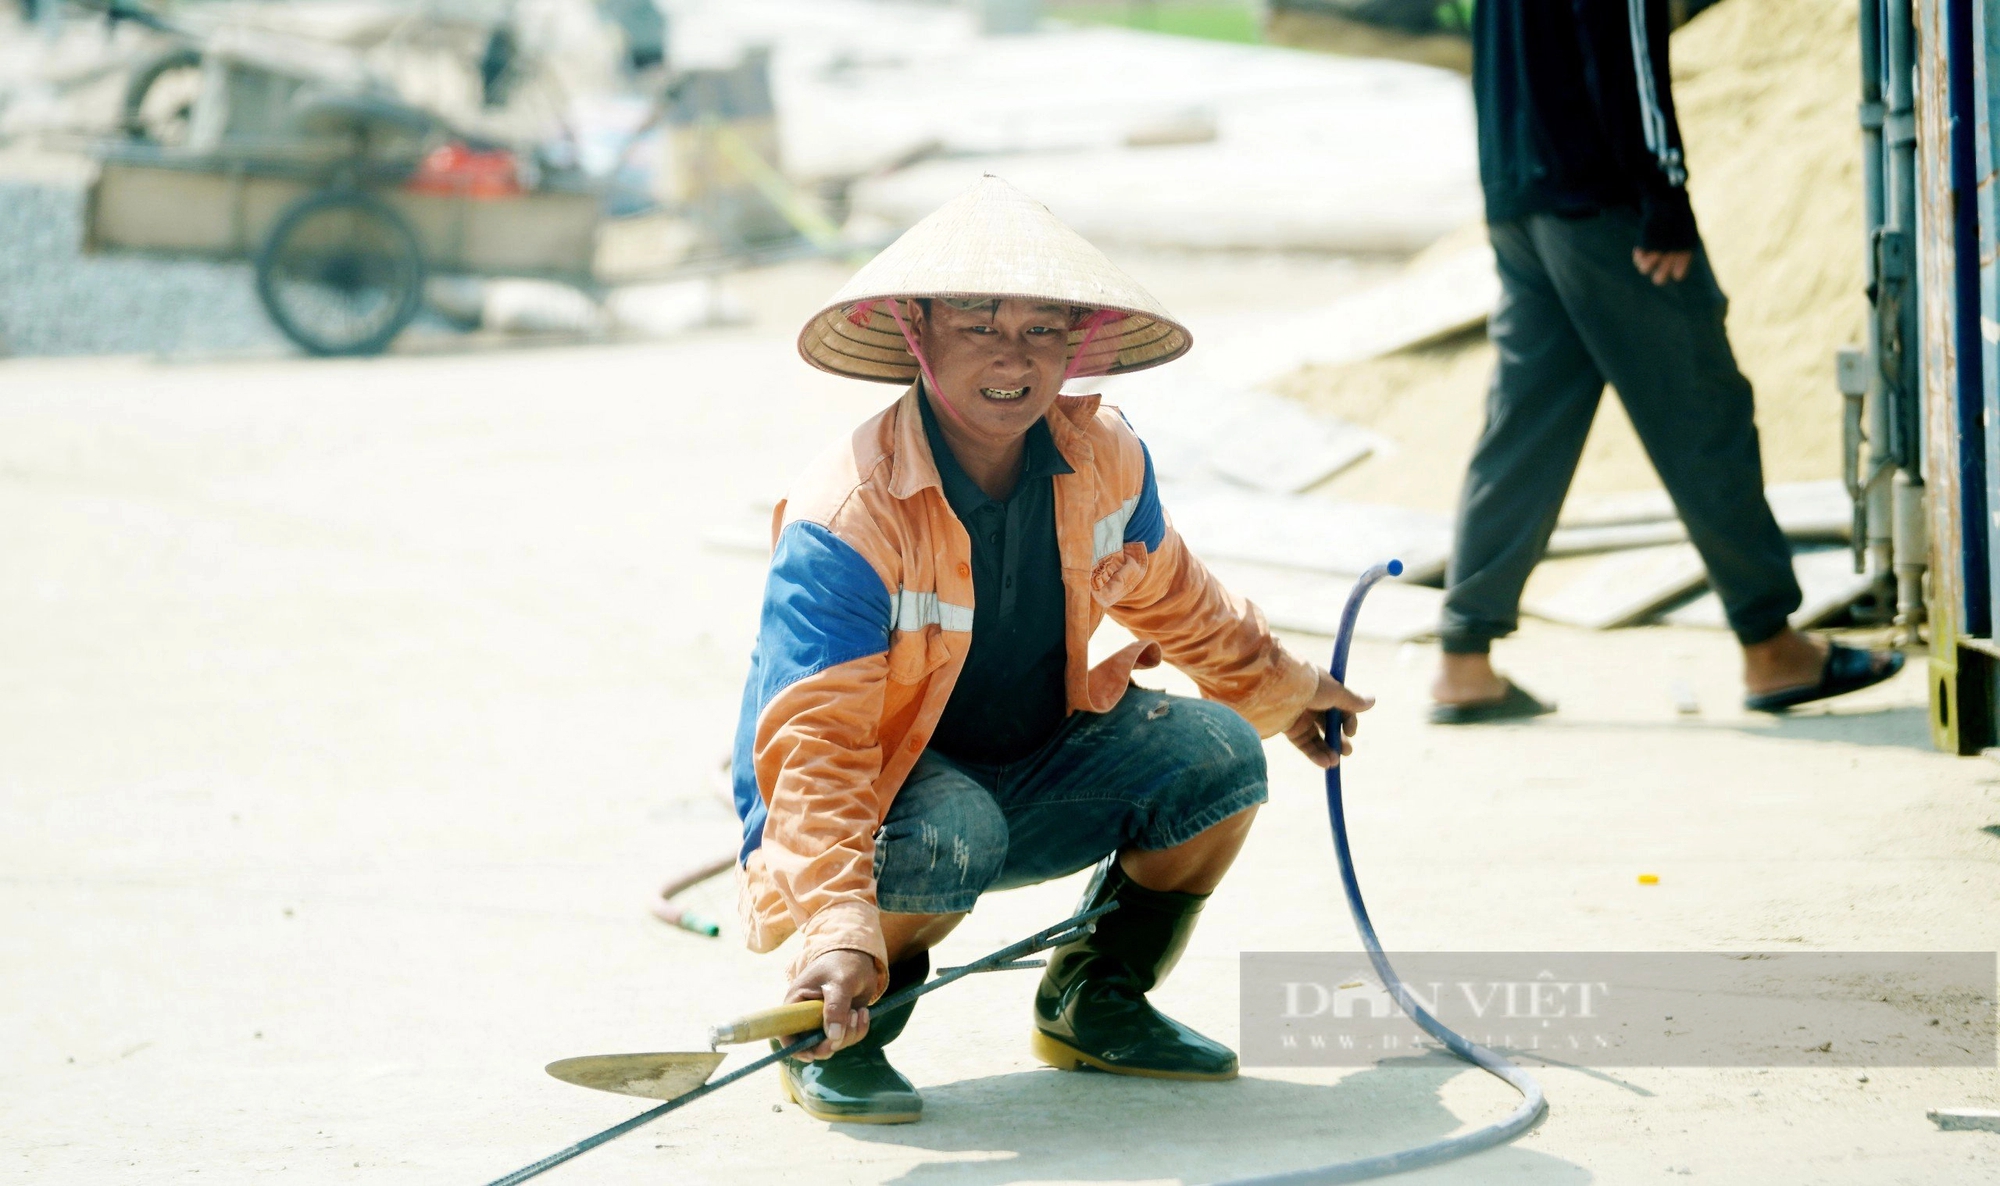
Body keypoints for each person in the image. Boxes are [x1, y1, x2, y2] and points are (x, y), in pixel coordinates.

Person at [729, 176, 1371, 1123]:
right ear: (917, 334)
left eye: (1041, 329)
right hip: (881, 798)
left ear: (1073, 346)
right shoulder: (849, 514)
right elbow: (814, 748)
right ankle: (829, 1023)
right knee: (955, 825)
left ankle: (1091, 1001)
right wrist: (833, 924)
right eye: (978, 322)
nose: (1012, 355)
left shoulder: (1104, 455)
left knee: (1220, 756)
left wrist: (1286, 689)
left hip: (1032, 760)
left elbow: (1176, 597)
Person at [1430, 0, 1903, 723]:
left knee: (1524, 428)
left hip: (1519, 191)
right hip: (1605, 200)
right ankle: (1772, 647)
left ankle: (1464, 660)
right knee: (1703, 410)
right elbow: (1626, 45)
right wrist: (1663, 190)